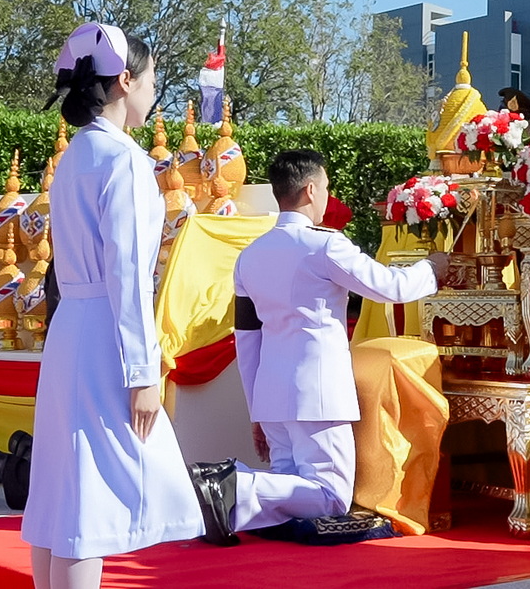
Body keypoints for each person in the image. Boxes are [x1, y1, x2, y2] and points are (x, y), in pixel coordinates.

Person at [190, 150, 449, 546]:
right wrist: (432, 269)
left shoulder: (250, 256)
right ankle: (236, 484)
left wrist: (257, 408)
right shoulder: (325, 246)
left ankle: (232, 497)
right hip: (318, 391)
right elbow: (390, 286)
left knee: (291, 485)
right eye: (326, 187)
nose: (327, 195)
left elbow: (248, 338)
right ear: (311, 189)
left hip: (271, 388)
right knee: (331, 497)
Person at [21, 24, 202, 589]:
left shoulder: (77, 153)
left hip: (72, 331)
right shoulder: (123, 160)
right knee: (89, 504)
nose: (153, 93)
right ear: (125, 81)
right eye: (151, 81)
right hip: (105, 336)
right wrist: (143, 373)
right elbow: (128, 275)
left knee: (61, 492)